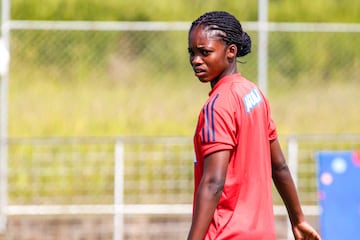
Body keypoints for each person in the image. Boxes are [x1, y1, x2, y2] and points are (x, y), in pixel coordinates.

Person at [187, 11, 321, 240]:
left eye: (205, 52)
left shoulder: (217, 105)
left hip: (226, 234)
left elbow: (213, 182)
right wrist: (298, 220)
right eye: (192, 52)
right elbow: (279, 167)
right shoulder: (254, 94)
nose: (196, 60)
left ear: (231, 51)